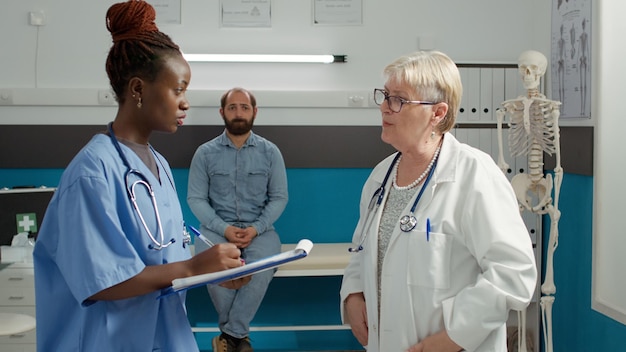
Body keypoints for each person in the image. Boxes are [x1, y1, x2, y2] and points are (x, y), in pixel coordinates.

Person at [32, 1, 248, 351]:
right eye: (178, 89)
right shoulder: (91, 172)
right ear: (138, 89)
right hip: (107, 340)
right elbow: (102, 282)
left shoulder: (159, 166)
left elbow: (164, 262)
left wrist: (216, 271)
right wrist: (195, 267)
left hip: (166, 337)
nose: (186, 102)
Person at [340, 51, 538, 352]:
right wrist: (353, 293)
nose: (384, 107)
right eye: (385, 95)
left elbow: (513, 273)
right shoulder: (381, 176)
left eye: (399, 100)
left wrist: (451, 339)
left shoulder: (475, 174)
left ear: (438, 113)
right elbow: (362, 249)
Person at [187, 87, 289, 352]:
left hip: (261, 230)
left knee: (262, 267)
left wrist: (256, 228)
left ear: (254, 112)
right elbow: (195, 199)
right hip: (215, 229)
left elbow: (279, 197)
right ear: (222, 112)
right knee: (215, 268)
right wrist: (225, 229)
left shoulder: (271, 152)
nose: (238, 112)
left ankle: (230, 336)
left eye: (244, 107)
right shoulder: (204, 153)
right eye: (232, 107)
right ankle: (238, 339)